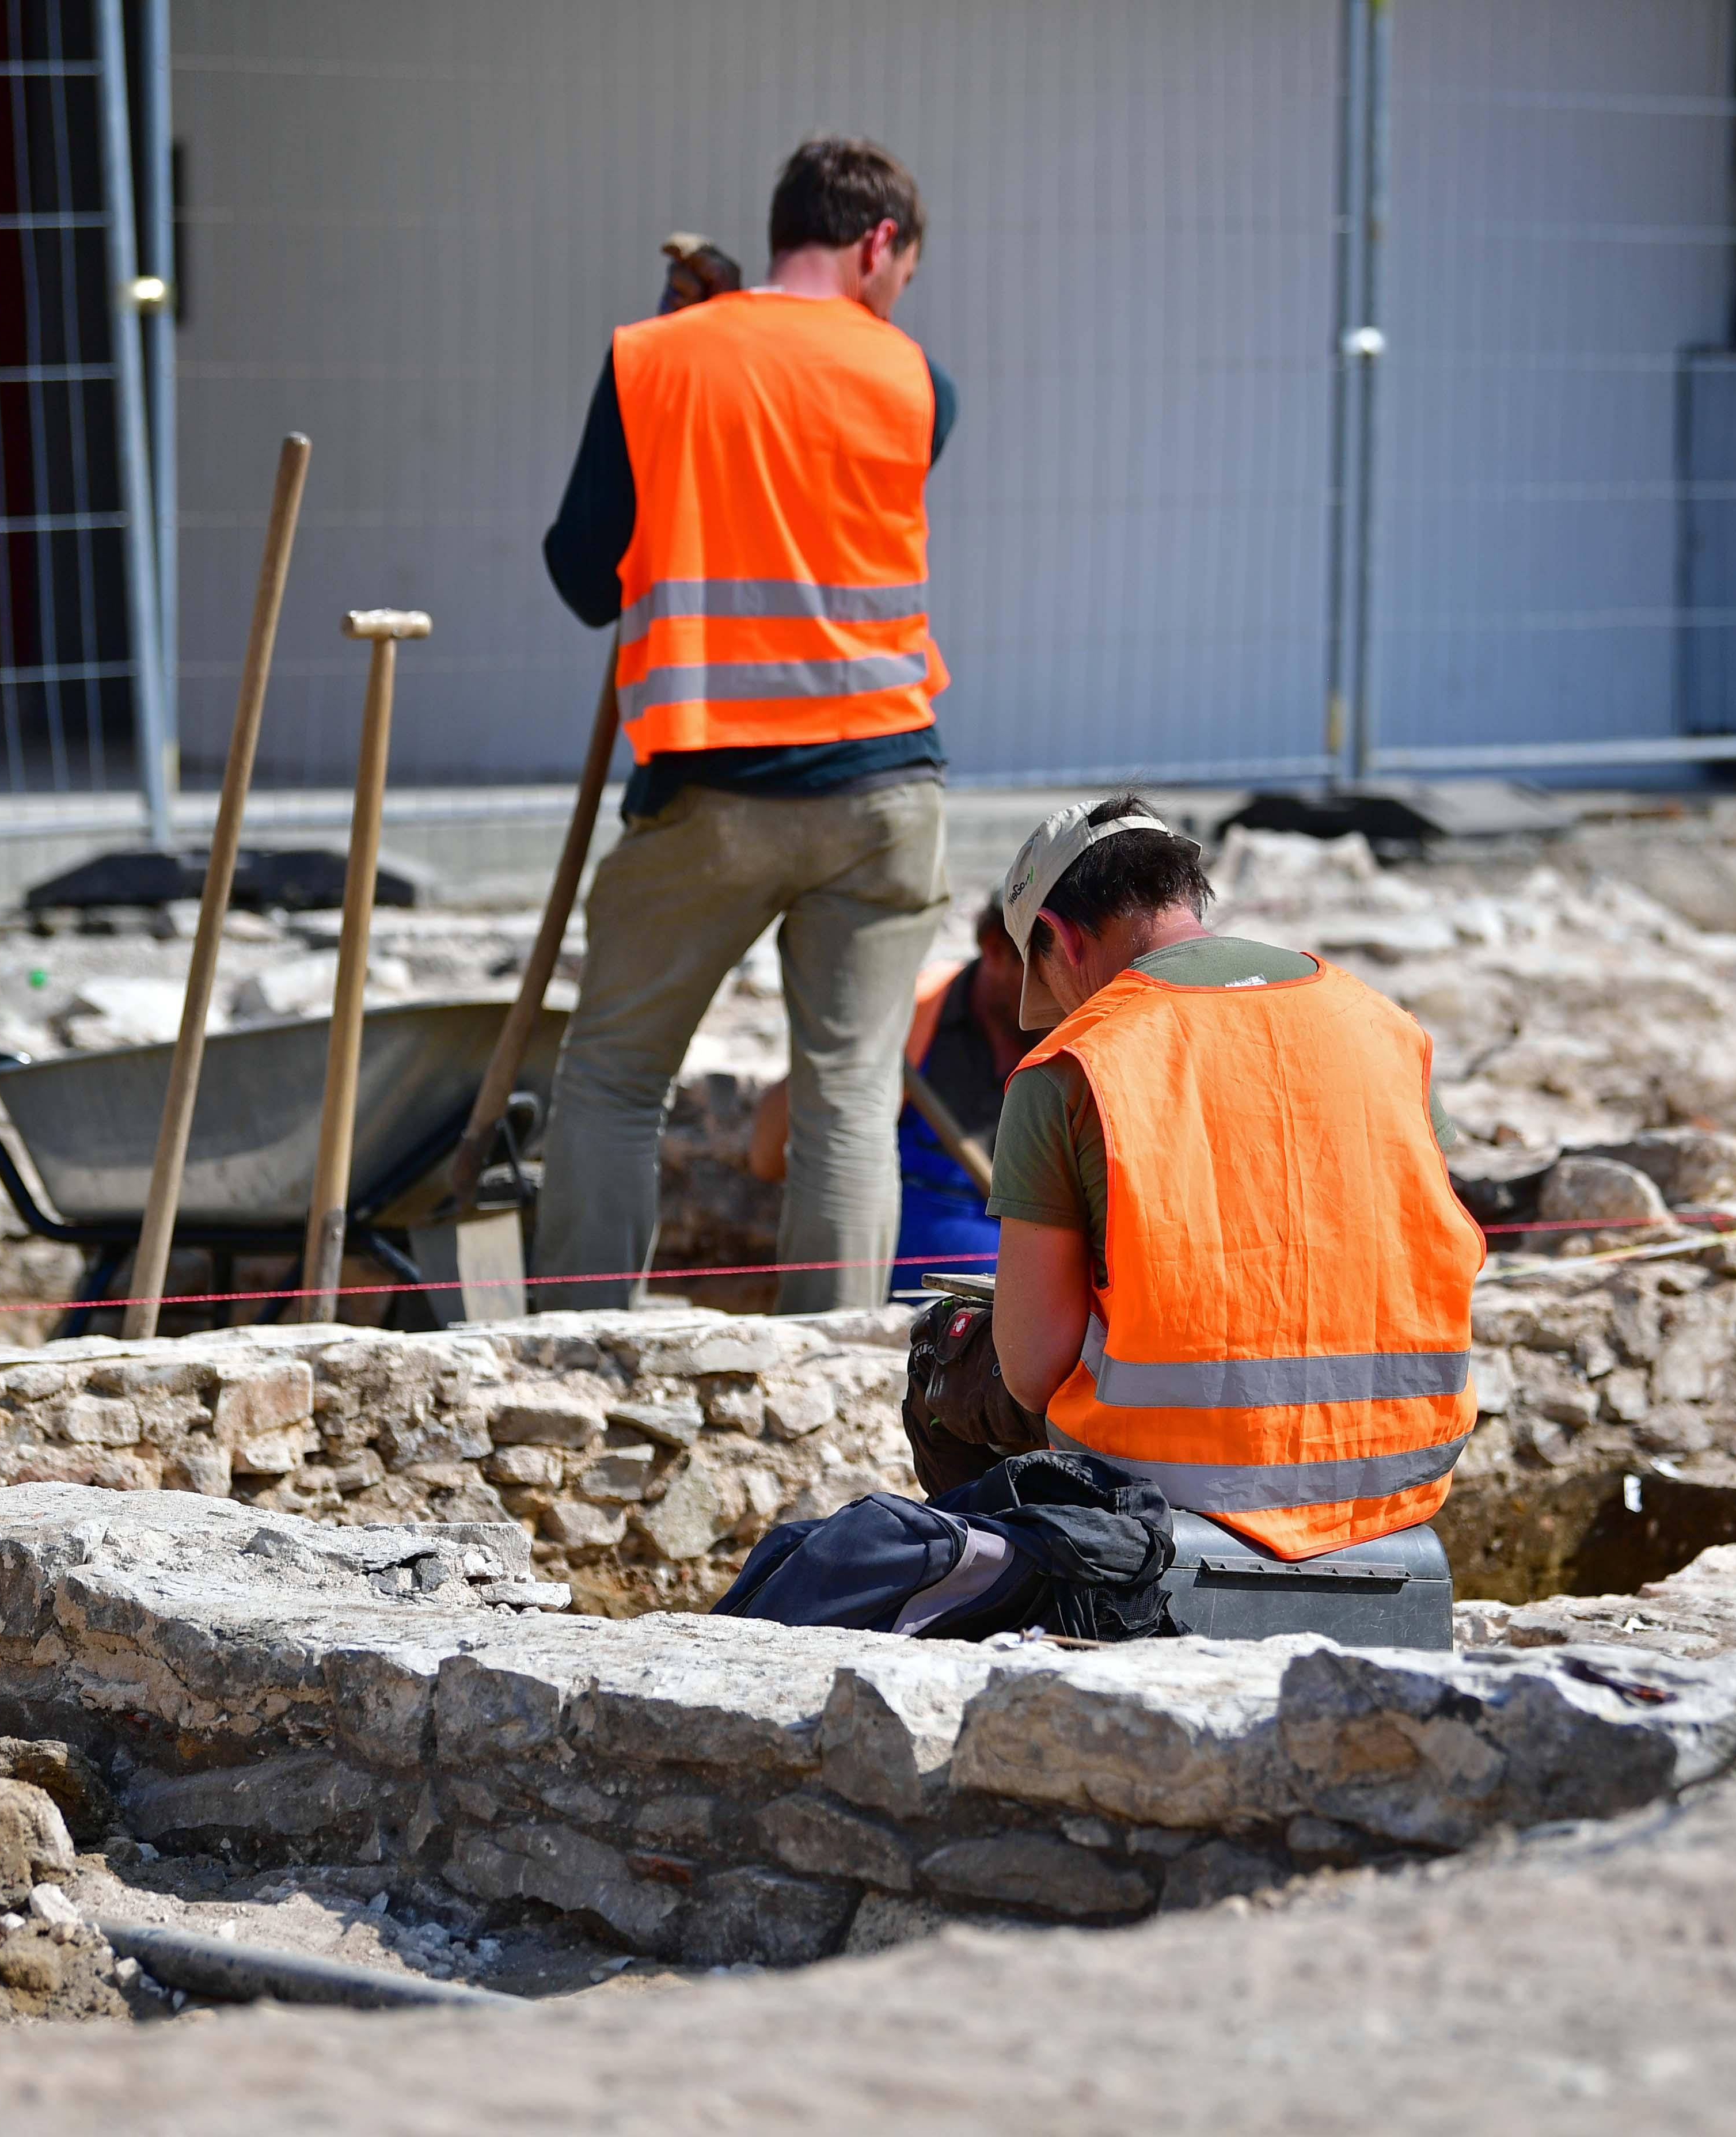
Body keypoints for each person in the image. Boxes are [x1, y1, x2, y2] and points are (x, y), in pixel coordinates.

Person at [534, 136, 956, 1312]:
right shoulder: (921, 382)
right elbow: (812, 460)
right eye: (903, 271)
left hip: (712, 794)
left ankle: (573, 1347)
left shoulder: (657, 359)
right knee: (850, 1096)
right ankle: (829, 1371)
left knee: (614, 1078)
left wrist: (690, 366)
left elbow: (583, 575)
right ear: (878, 244)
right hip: (884, 792)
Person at [914, 797, 1483, 1557]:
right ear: (1187, 896)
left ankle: (1038, 1589)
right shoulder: (1384, 1024)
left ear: (1055, 936)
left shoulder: (1074, 1063)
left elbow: (1031, 1371)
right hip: (1401, 1459)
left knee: (943, 1358)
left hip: (1173, 1476)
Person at [750, 893, 1029, 1293]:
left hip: (1013, 1328)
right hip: (878, 1313)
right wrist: (841, 1039)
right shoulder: (912, 1012)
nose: (1071, 988)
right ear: (996, 952)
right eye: (1048, 967)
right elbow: (767, 1158)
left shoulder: (1090, 1034)